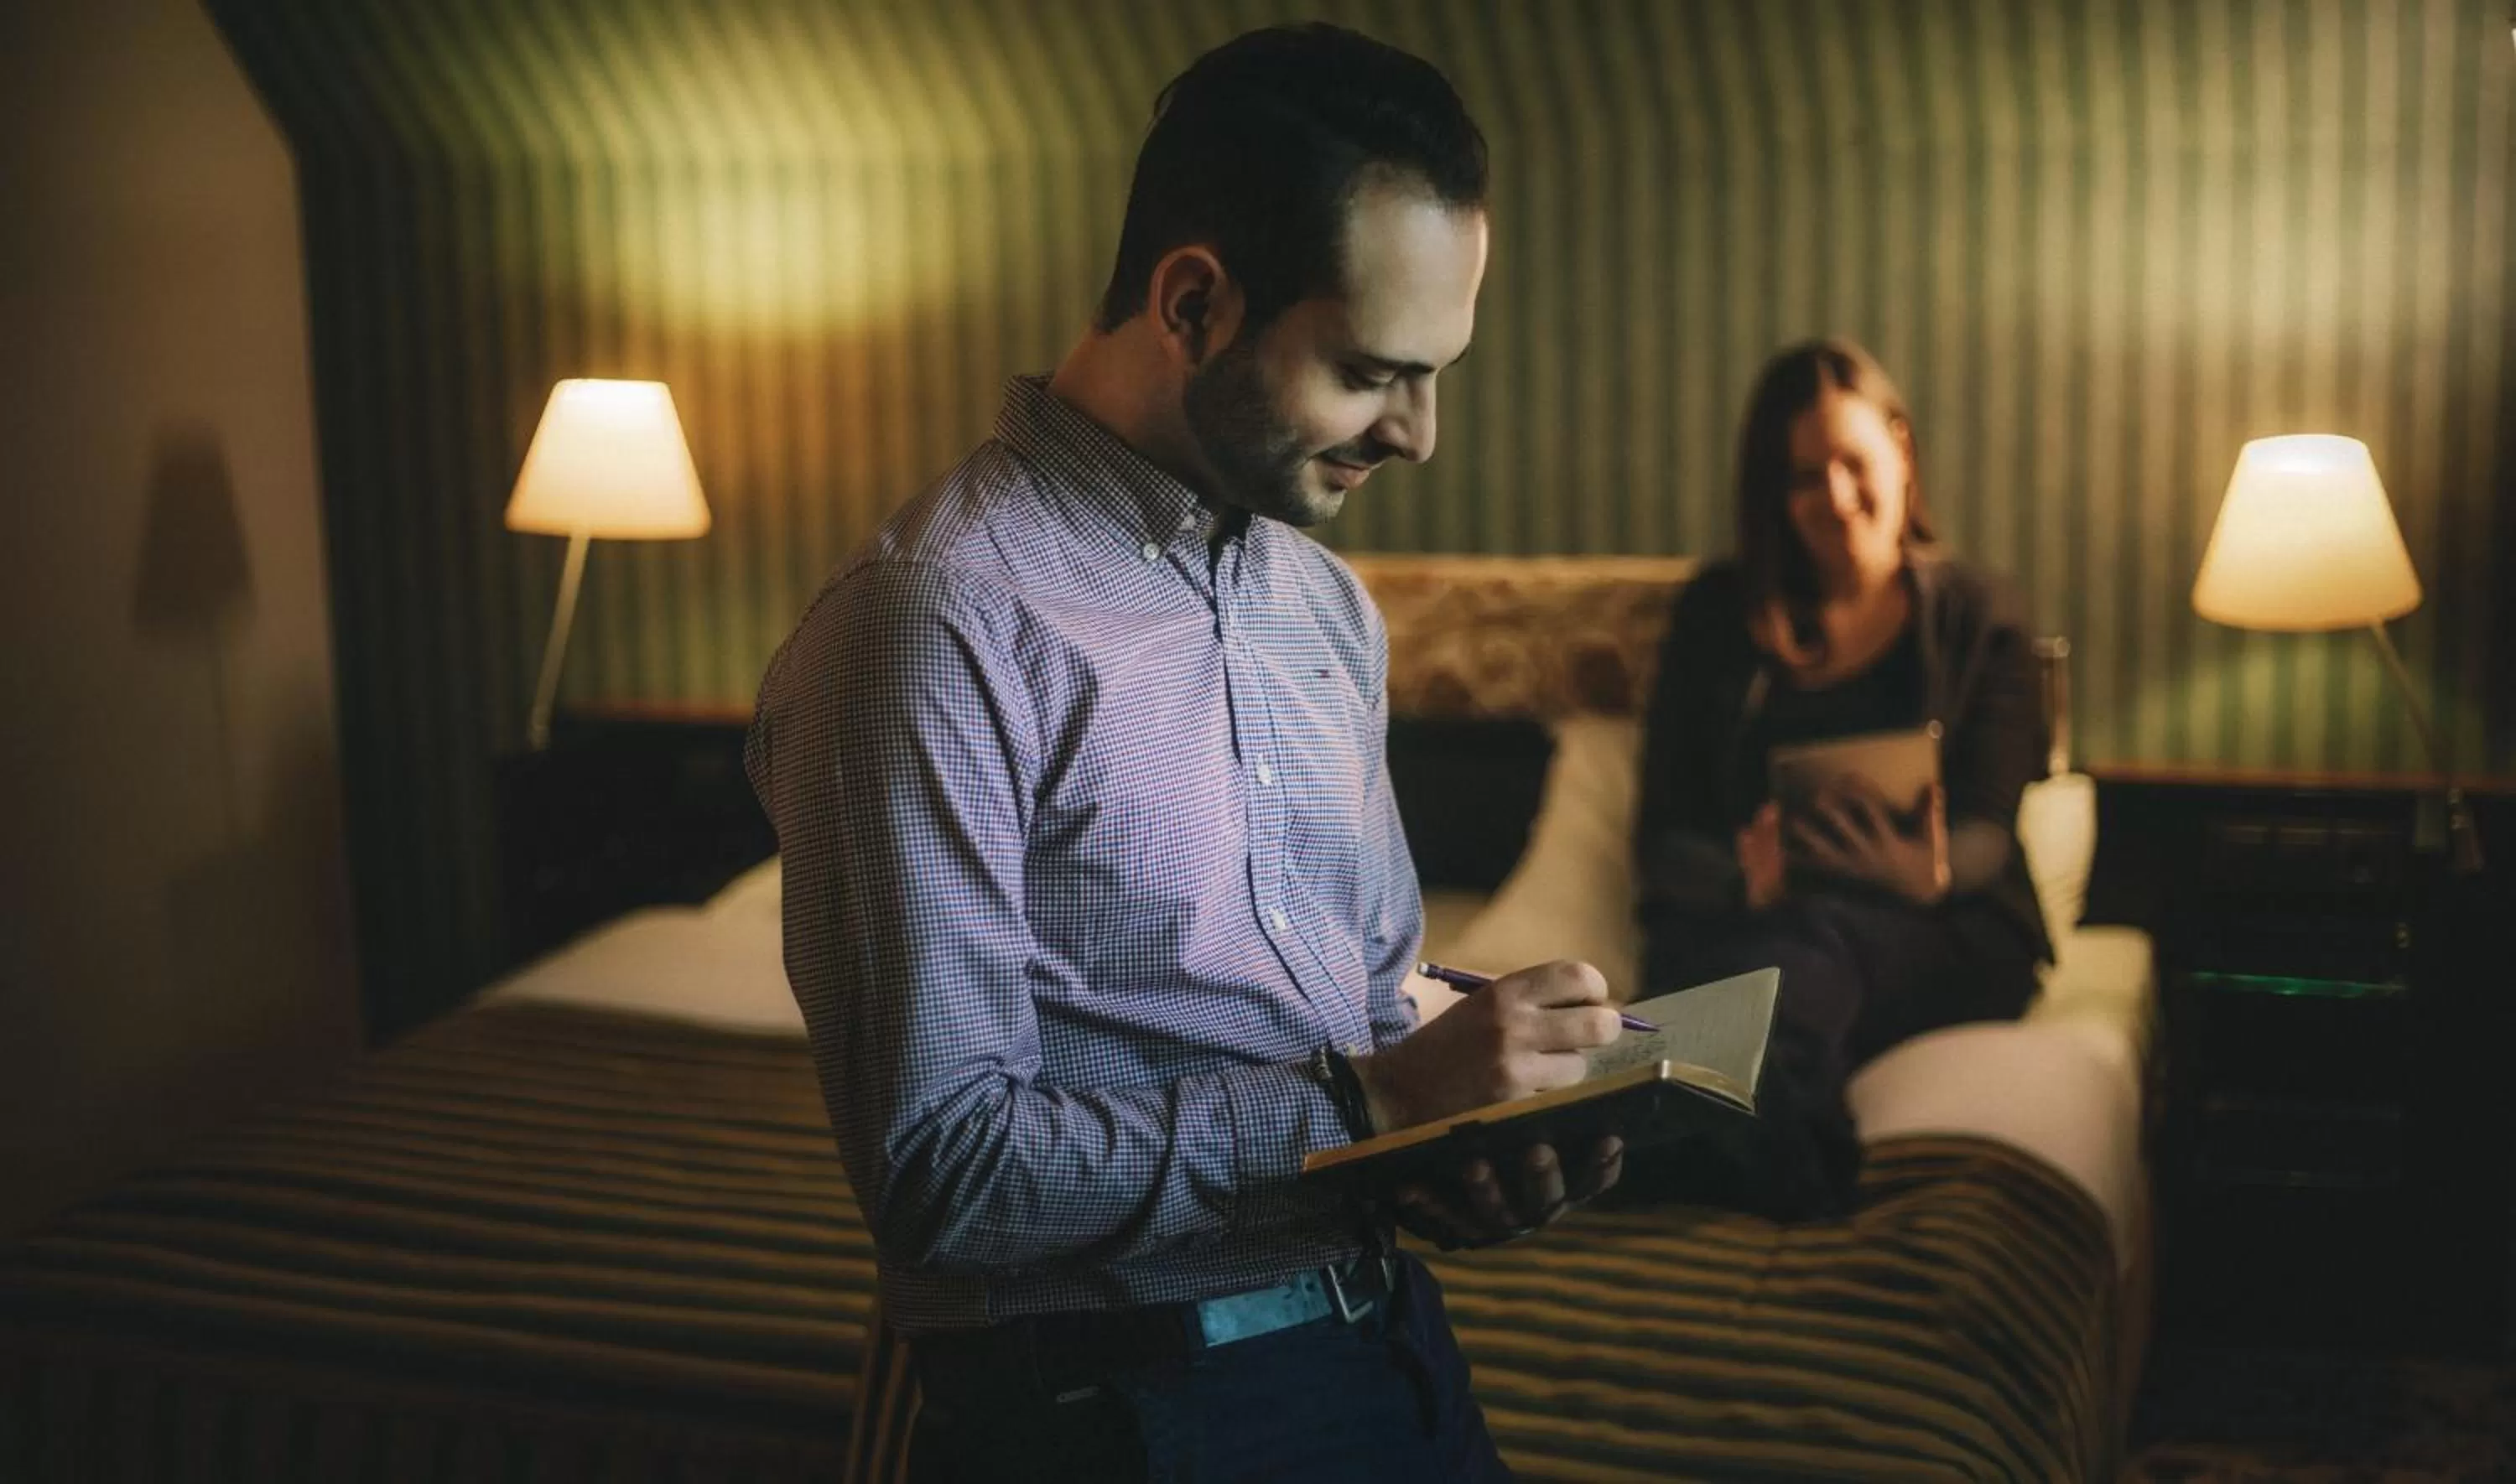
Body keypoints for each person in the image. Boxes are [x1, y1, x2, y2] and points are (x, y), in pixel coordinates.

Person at [746, 25, 1624, 1483]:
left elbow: (1366, 1010)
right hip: (1120, 1418)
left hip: (1397, 1354)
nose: (1419, 434)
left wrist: (1463, 1139)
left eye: (1436, 375)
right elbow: (940, 1170)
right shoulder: (931, 623)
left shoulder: (1326, 611)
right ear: (1195, 302)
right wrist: (1366, 1108)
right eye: (1371, 371)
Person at [1628, 339, 2053, 1221]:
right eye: (1802, 477)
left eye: (1854, 462)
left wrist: (1931, 872)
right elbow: (1663, 838)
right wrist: (1743, 879)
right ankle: (1769, 1161)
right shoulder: (1718, 615)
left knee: (1806, 945)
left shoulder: (1981, 616)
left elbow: (1991, 824)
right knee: (1777, 949)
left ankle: (1717, 1155)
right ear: (1771, 496)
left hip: (1941, 928)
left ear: (1901, 451)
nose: (1834, 495)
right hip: (1751, 919)